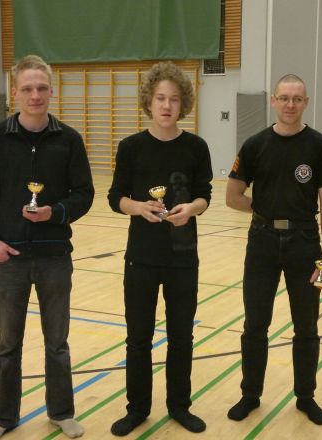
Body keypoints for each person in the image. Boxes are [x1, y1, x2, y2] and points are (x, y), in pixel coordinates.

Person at [0, 55, 94, 440]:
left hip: (55, 258)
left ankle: (61, 412)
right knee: (8, 344)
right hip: (10, 259)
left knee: (57, 344)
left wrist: (55, 212)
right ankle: (4, 418)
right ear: (15, 92)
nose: (35, 95)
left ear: (51, 91)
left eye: (41, 88)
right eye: (27, 88)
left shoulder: (69, 139)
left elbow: (84, 194)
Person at [225, 74, 322, 425]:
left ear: (306, 102)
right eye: (284, 98)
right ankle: (250, 395)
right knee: (255, 324)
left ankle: (306, 397)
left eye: (297, 99)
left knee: (306, 326)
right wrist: (266, 209)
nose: (290, 104)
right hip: (261, 242)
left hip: (304, 244)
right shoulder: (254, 145)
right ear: (273, 101)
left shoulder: (321, 146)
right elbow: (232, 197)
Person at [107, 61, 213, 436]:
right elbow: (115, 197)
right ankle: (137, 409)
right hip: (141, 258)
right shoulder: (131, 147)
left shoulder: (196, 147)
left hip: (183, 258)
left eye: (174, 99)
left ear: (183, 104)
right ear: (148, 102)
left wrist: (192, 209)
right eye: (160, 98)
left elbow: (205, 195)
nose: (167, 105)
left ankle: (179, 406)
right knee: (138, 338)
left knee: (181, 337)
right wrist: (139, 207)